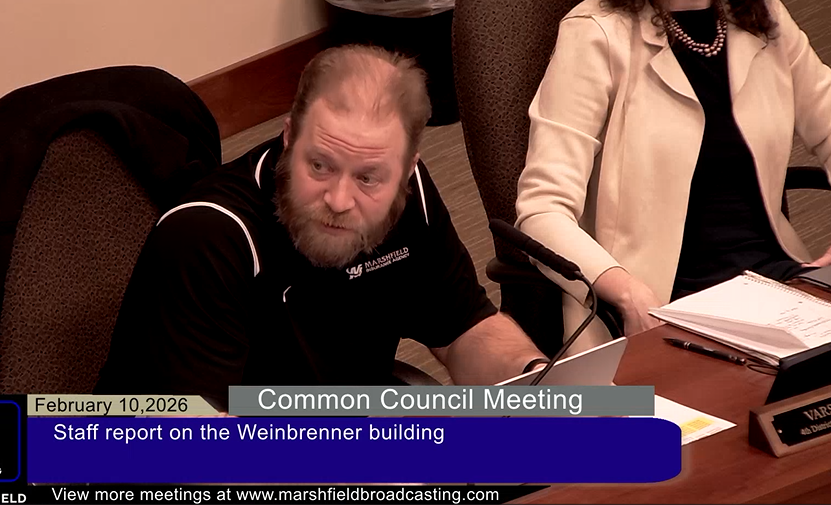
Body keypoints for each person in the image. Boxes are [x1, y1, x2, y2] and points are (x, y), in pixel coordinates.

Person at [95, 45, 547, 410]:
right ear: (289, 136)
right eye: (320, 165)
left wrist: (536, 383)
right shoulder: (208, 235)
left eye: (368, 178)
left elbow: (464, 330)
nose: (339, 200)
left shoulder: (408, 199)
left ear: (406, 170)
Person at [515, 0, 831, 354]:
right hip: (663, 310)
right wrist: (626, 292)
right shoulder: (595, 32)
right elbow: (541, 210)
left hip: (780, 289)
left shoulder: (763, 13)